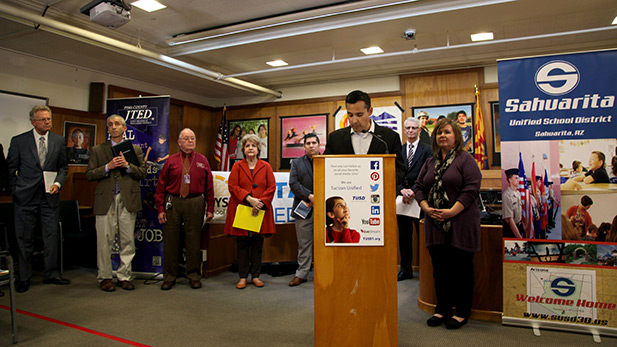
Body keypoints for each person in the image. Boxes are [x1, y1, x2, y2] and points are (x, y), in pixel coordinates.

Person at [414, 118, 482, 330]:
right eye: (439, 133)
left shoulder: (466, 159)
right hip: (434, 225)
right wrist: (425, 207)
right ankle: (442, 308)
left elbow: (471, 188)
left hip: (460, 223)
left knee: (461, 270)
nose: (442, 136)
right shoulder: (430, 161)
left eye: (447, 132)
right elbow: (419, 187)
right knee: (440, 270)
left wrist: (452, 211)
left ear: (456, 136)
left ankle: (462, 312)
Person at [7, 105, 70, 293]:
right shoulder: (20, 141)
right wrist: (15, 190)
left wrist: (58, 184)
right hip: (25, 197)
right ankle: (24, 276)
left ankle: (51, 273)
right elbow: (10, 168)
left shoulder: (58, 141)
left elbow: (63, 167)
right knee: (24, 237)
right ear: (33, 122)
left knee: (51, 236)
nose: (47, 122)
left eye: (49, 119)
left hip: (49, 197)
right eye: (43, 120)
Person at [86, 115, 147, 292]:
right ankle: (105, 276)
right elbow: (89, 174)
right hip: (106, 199)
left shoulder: (134, 149)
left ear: (124, 128)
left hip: (127, 198)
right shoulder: (98, 150)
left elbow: (142, 173)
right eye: (110, 125)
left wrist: (128, 165)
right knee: (104, 240)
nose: (113, 127)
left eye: (117, 124)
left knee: (127, 239)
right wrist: (108, 167)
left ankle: (124, 276)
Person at [155, 128, 215, 290]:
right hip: (173, 202)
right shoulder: (171, 161)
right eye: (186, 138)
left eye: (193, 138)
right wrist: (160, 209)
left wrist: (210, 207)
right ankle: (169, 277)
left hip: (195, 202)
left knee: (193, 241)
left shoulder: (203, 160)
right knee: (171, 241)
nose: (190, 141)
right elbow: (160, 187)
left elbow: (209, 186)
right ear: (179, 142)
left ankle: (194, 276)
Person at [224, 134, 276, 289]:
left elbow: (271, 187)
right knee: (242, 245)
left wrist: (260, 202)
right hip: (242, 209)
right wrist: (249, 199)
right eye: (247, 146)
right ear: (243, 150)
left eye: (253, 145)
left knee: (257, 244)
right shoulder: (237, 166)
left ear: (258, 148)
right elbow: (233, 187)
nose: (251, 148)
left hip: (260, 210)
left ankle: (256, 276)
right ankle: (242, 277)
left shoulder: (266, 166)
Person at [323, 90, 405, 185]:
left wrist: (385, 181)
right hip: (345, 195)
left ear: (370, 111)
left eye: (359, 115)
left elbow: (400, 170)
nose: (354, 120)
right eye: (350, 115)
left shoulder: (389, 137)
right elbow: (325, 168)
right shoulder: (335, 138)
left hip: (378, 193)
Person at [396, 117, 431, 281]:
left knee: (423, 237)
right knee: (404, 237)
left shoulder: (427, 150)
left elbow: (428, 174)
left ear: (419, 130)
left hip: (420, 198)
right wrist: (401, 189)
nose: (410, 131)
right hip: (402, 200)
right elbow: (394, 175)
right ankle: (406, 269)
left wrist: (414, 191)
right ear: (404, 130)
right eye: (408, 128)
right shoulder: (399, 150)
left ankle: (426, 270)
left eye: (414, 128)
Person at [288, 133, 320, 286]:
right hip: (303, 207)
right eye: (308, 143)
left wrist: (320, 197)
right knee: (304, 243)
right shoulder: (296, 163)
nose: (311, 145)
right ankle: (302, 273)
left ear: (319, 145)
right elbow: (293, 184)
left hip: (325, 208)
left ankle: (324, 272)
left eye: (314, 142)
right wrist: (310, 196)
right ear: (304, 146)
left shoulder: (327, 161)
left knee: (325, 242)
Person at [502, 168, 524, 238]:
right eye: (516, 178)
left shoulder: (517, 193)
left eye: (518, 178)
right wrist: (519, 237)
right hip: (511, 230)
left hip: (519, 226)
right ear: (510, 180)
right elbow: (510, 220)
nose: (518, 180)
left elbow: (519, 213)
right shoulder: (506, 196)